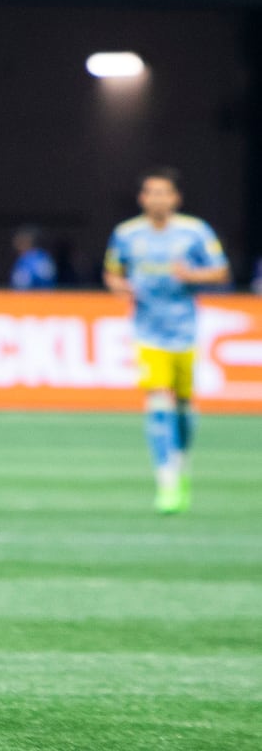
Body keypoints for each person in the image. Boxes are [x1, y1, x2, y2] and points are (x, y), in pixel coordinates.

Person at [103, 167, 229, 514]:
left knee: (185, 408)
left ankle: (182, 463)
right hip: (147, 332)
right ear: (142, 198)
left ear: (176, 198)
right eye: (151, 193)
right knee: (158, 402)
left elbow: (221, 271)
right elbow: (112, 273)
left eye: (164, 193)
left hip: (185, 331)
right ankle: (167, 481)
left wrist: (192, 275)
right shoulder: (127, 234)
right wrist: (120, 286)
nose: (157, 199)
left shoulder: (195, 232)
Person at [11, 226, 57, 290]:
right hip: (46, 296)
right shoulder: (44, 256)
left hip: (32, 297)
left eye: (21, 240)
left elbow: (22, 285)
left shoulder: (27, 260)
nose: (17, 244)